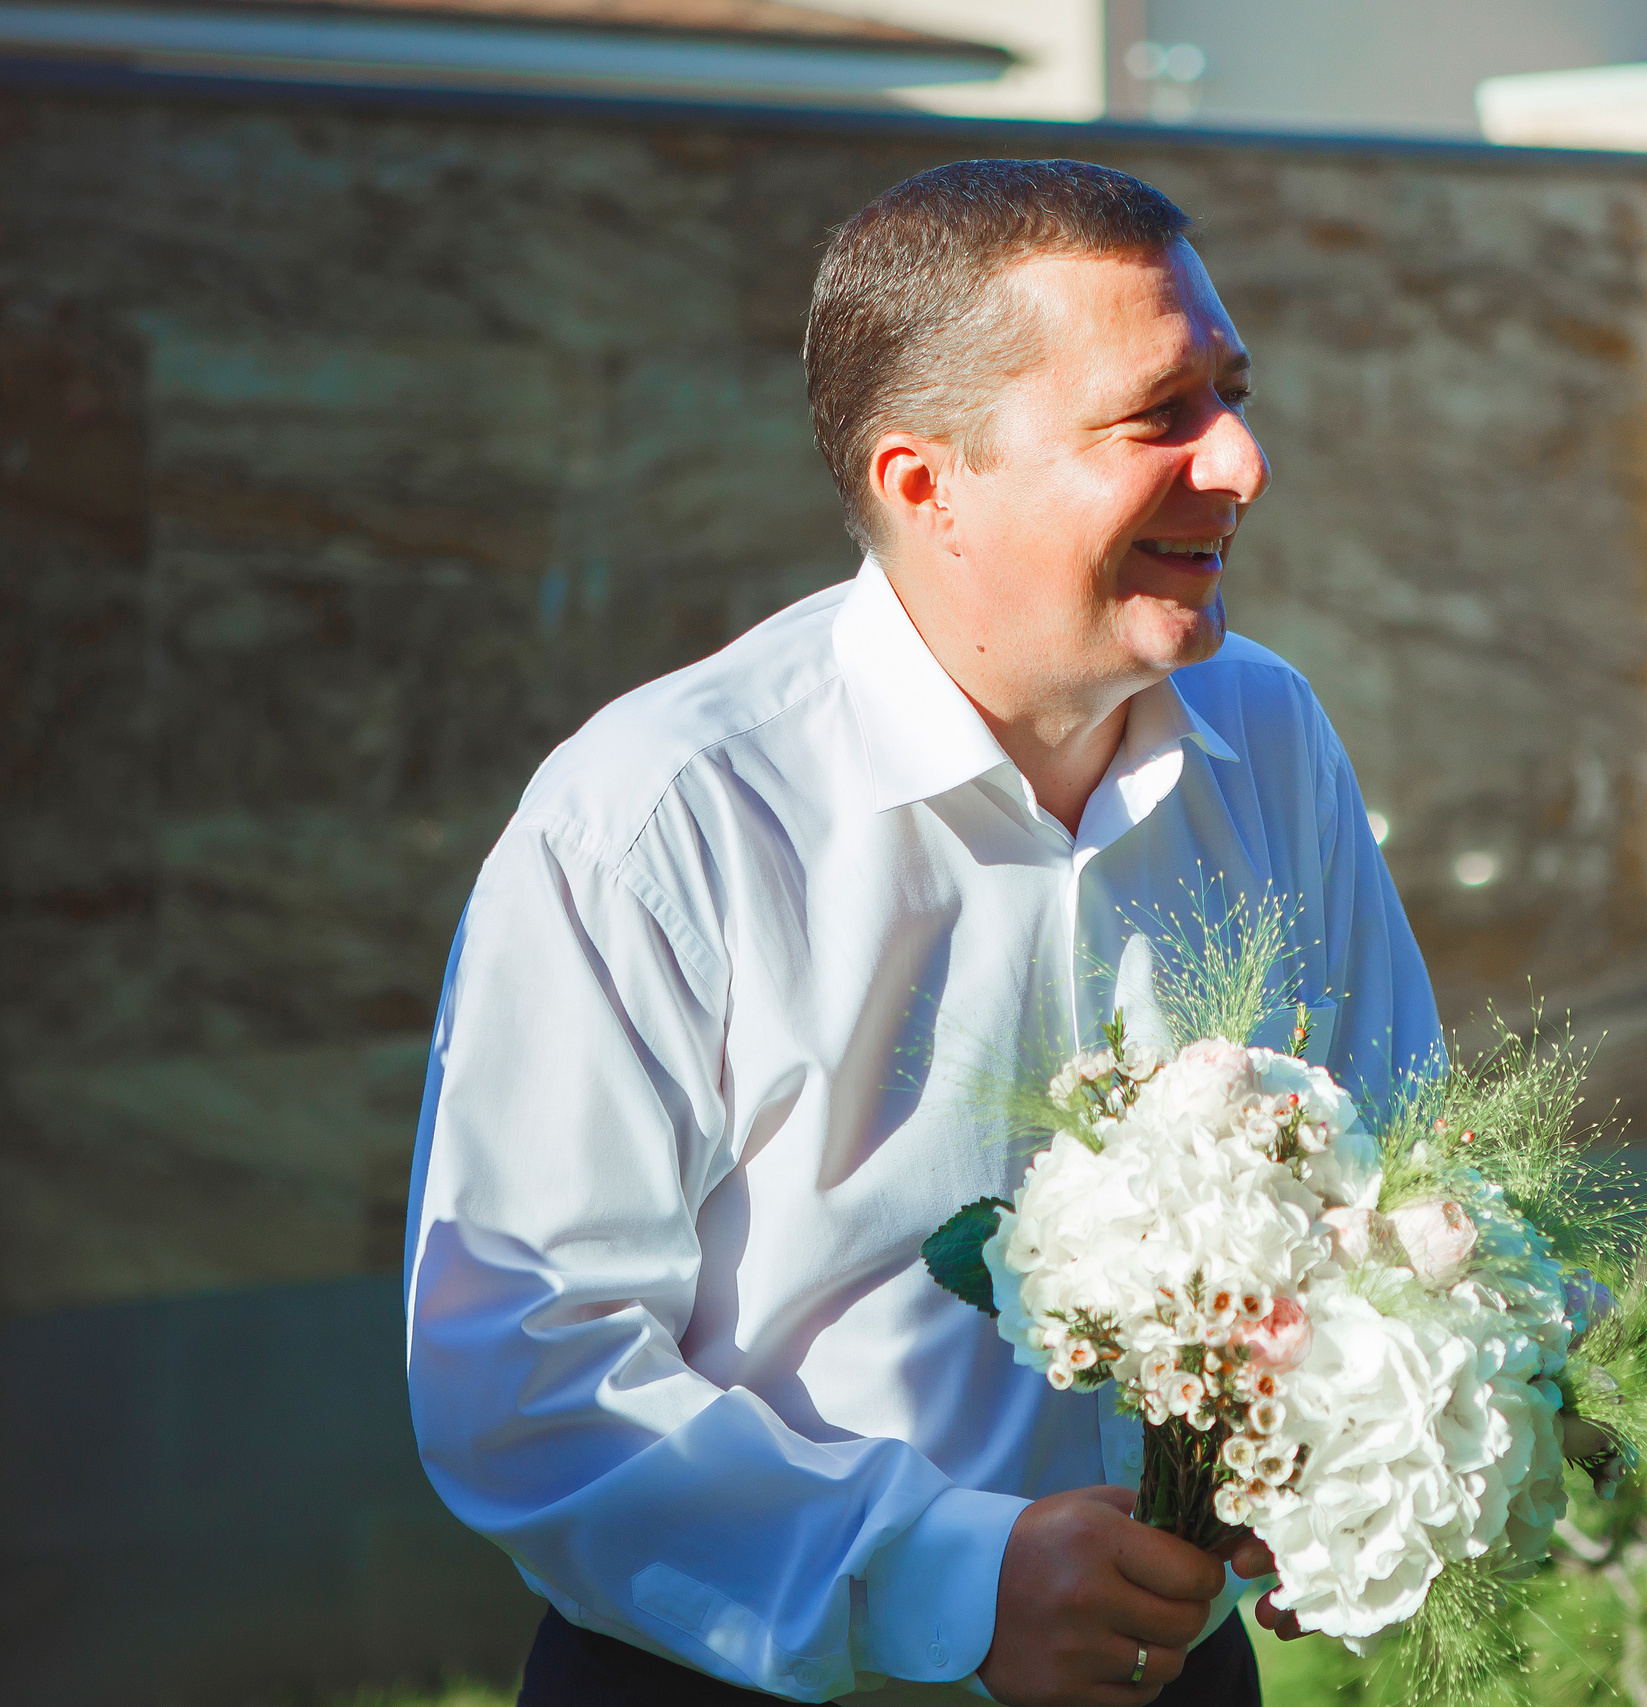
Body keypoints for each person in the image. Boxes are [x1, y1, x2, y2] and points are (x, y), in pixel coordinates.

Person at [404, 158, 1440, 1707]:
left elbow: (1404, 1165)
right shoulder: (657, 819)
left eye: (1232, 391)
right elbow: (525, 1383)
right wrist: (955, 1582)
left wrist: (1343, 1456)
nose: (1243, 460)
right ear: (924, 484)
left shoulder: (1271, 734)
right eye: (1160, 411)